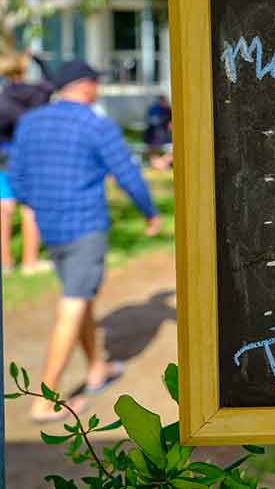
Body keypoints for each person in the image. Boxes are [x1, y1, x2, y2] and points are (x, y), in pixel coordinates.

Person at [10, 59, 161, 422]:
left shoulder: (30, 122)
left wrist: (39, 205)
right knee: (74, 304)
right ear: (85, 85)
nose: (98, 87)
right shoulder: (97, 125)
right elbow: (127, 172)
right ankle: (44, 401)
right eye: (96, 81)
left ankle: (96, 369)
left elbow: (16, 175)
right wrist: (150, 212)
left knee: (82, 298)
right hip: (86, 227)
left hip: (51, 228)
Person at [0, 51, 54, 274]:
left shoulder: (2, 98)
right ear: (23, 69)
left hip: (2, 155)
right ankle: (30, 262)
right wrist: (38, 60)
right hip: (31, 156)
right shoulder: (37, 93)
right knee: (30, 209)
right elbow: (51, 83)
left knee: (4, 209)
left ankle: (5, 263)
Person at [143, 94, 173, 170]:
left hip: (162, 140)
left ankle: (161, 163)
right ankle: (160, 163)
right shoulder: (155, 110)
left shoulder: (166, 110)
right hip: (156, 139)